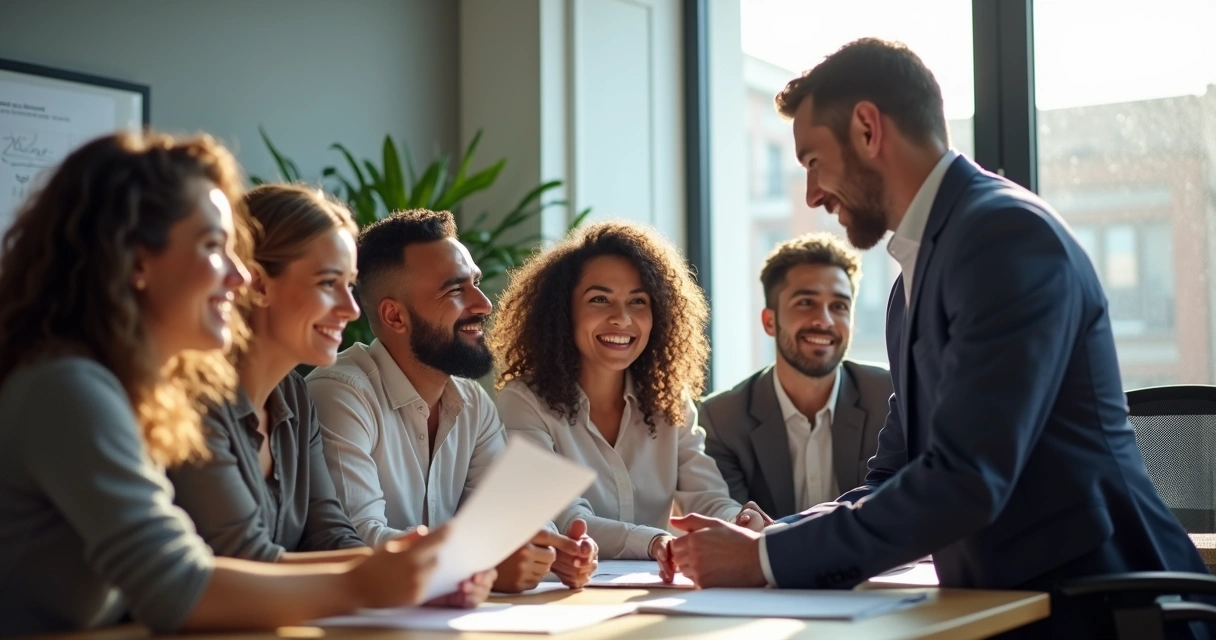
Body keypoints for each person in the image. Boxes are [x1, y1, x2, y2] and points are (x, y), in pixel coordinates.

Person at [668, 38, 1207, 636]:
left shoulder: (1005, 238)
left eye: (814, 160)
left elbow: (964, 479)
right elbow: (895, 474)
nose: (812, 194)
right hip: (1005, 601)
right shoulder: (914, 279)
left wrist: (761, 562)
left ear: (869, 130)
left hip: (1102, 607)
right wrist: (775, 536)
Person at [0, 132, 446, 635]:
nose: (238, 275)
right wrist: (367, 583)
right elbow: (178, 585)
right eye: (215, 247)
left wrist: (402, 574)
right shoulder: (68, 388)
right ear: (136, 259)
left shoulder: (129, 392)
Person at [168, 185, 492, 607]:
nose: (352, 308)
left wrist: (430, 576)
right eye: (328, 283)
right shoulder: (195, 400)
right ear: (258, 285)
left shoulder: (293, 397)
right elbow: (243, 557)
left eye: (350, 284)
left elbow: (330, 538)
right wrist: (405, 577)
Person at [306, 209, 597, 592]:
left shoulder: (472, 404)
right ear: (395, 316)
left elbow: (508, 513)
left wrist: (553, 547)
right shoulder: (340, 392)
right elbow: (358, 540)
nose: (483, 304)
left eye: (475, 282)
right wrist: (478, 565)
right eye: (455, 290)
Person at [490, 221, 767, 583]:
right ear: (563, 312)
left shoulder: (670, 400)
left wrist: (738, 522)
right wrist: (653, 541)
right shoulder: (524, 402)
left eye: (638, 301)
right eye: (599, 299)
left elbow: (707, 498)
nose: (622, 318)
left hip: (651, 592)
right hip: (564, 596)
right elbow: (564, 516)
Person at [700, 232, 891, 519]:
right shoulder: (721, 419)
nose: (824, 321)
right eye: (806, 303)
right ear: (769, 321)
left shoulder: (889, 398)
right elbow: (734, 528)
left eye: (839, 306)